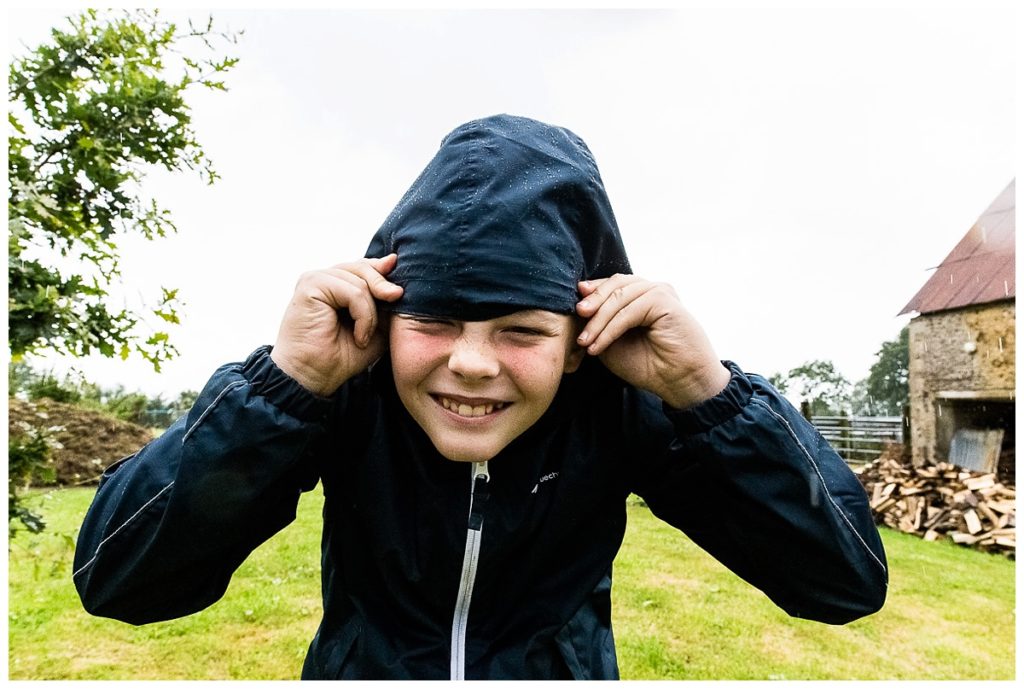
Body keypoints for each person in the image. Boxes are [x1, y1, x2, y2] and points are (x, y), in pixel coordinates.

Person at [73, 114, 887, 680]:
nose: (470, 362)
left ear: (577, 342)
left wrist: (705, 395)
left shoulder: (619, 406)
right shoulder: (345, 398)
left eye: (520, 331)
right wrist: (283, 385)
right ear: (388, 315)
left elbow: (843, 581)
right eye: (434, 318)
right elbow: (117, 580)